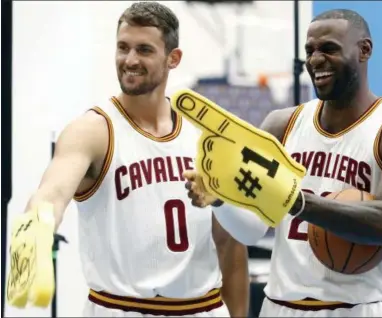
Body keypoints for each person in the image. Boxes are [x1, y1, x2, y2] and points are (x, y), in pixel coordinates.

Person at [182, 8, 382, 317]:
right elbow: (252, 231)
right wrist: (221, 200)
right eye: (309, 51)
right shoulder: (281, 125)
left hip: (359, 307)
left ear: (364, 50)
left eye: (329, 49)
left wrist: (297, 202)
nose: (315, 60)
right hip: (283, 305)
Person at [6, 2, 249, 317]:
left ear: (173, 58)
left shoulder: (204, 134)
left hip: (201, 307)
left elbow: (229, 243)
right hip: (120, 308)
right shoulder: (93, 130)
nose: (130, 60)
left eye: (144, 50)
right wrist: (38, 224)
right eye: (123, 48)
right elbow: (52, 191)